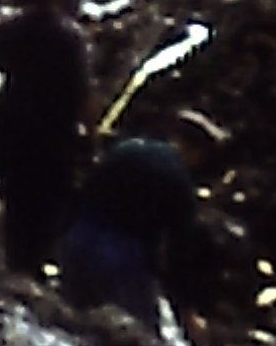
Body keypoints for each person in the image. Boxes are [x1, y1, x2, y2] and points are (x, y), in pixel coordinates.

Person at [0, 0, 95, 277]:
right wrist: (93, 136)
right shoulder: (70, 37)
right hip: (55, 132)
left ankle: (17, 263)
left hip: (14, 125)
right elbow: (84, 93)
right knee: (49, 199)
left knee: (16, 196)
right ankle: (38, 262)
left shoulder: (9, 28)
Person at [54, 132, 203, 334]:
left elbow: (83, 190)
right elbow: (180, 253)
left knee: (72, 325)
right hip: (120, 260)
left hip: (78, 238)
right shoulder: (180, 181)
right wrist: (187, 310)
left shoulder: (126, 148)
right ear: (196, 153)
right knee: (137, 337)